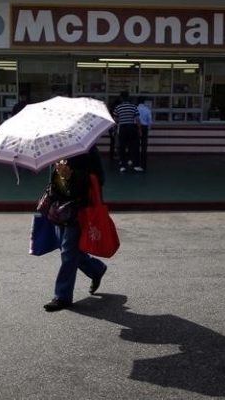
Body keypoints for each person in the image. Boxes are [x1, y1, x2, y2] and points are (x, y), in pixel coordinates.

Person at [43, 146, 107, 312]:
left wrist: (71, 175)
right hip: (61, 209)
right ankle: (96, 269)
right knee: (71, 250)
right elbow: (55, 181)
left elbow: (98, 179)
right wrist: (58, 177)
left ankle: (62, 296)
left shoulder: (87, 149)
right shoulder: (56, 149)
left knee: (68, 251)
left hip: (79, 209)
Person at [112, 91, 142, 172]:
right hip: (131, 127)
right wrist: (139, 130)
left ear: (121, 98)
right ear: (128, 97)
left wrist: (114, 130)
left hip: (122, 128)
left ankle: (122, 165)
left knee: (122, 146)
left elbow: (115, 120)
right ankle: (135, 164)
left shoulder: (118, 107)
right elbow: (137, 119)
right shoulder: (133, 107)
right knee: (134, 146)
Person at [136, 96, 152, 170]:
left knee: (135, 146)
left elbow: (134, 119)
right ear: (144, 102)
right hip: (145, 128)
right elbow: (150, 121)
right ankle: (143, 165)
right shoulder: (147, 110)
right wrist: (148, 128)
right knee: (144, 147)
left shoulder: (135, 109)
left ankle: (136, 163)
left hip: (136, 127)